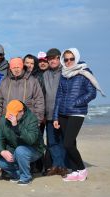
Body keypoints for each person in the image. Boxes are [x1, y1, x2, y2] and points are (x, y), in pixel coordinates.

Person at [53, 48, 105, 182]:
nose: (69, 61)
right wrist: (55, 117)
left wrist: (76, 102)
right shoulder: (63, 74)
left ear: (76, 58)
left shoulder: (84, 72)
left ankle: (82, 170)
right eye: (66, 59)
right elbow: (59, 96)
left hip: (77, 112)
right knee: (72, 143)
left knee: (67, 143)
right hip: (63, 113)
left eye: (71, 59)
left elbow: (91, 93)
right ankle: (75, 171)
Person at [0, 100, 45, 185]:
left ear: (21, 112)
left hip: (34, 149)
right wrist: (2, 151)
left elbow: (31, 140)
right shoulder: (4, 120)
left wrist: (17, 127)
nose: (10, 117)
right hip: (14, 149)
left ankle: (26, 177)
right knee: (1, 161)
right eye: (9, 114)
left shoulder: (31, 119)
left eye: (13, 115)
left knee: (20, 150)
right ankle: (18, 174)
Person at [0, 57, 44, 124]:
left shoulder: (32, 81)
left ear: (22, 67)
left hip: (27, 121)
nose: (16, 70)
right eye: (14, 67)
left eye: (18, 67)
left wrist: (37, 119)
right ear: (10, 69)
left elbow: (39, 100)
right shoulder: (4, 82)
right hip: (7, 120)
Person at [43, 48, 67, 176]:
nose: (52, 60)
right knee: (51, 142)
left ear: (59, 58)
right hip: (49, 114)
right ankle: (57, 165)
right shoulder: (45, 74)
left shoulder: (65, 72)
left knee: (63, 141)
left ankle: (61, 166)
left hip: (63, 113)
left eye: (55, 58)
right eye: (50, 58)